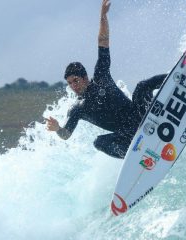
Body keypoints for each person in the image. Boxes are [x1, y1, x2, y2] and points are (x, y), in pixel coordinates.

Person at [45, 0, 166, 158]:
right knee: (99, 143)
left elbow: (103, 41)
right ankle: (136, 157)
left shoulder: (101, 76)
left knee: (142, 86)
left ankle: (178, 77)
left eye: (75, 80)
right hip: (128, 136)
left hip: (141, 114)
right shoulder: (78, 109)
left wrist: (103, 15)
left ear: (85, 77)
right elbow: (66, 135)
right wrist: (57, 129)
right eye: (69, 83)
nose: (73, 86)